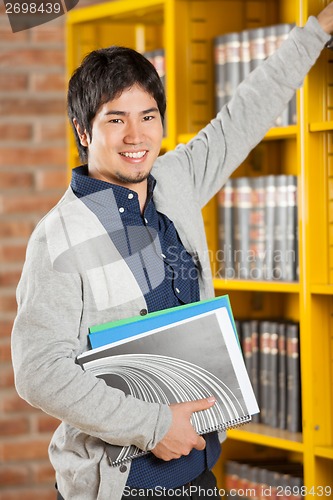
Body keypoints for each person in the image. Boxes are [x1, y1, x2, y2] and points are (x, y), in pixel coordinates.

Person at [11, 3, 333, 500]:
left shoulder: (174, 182)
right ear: (83, 131)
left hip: (198, 479)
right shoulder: (57, 237)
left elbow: (243, 115)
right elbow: (38, 373)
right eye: (115, 119)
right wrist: (153, 425)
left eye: (148, 116)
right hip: (119, 490)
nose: (136, 136)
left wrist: (319, 30)